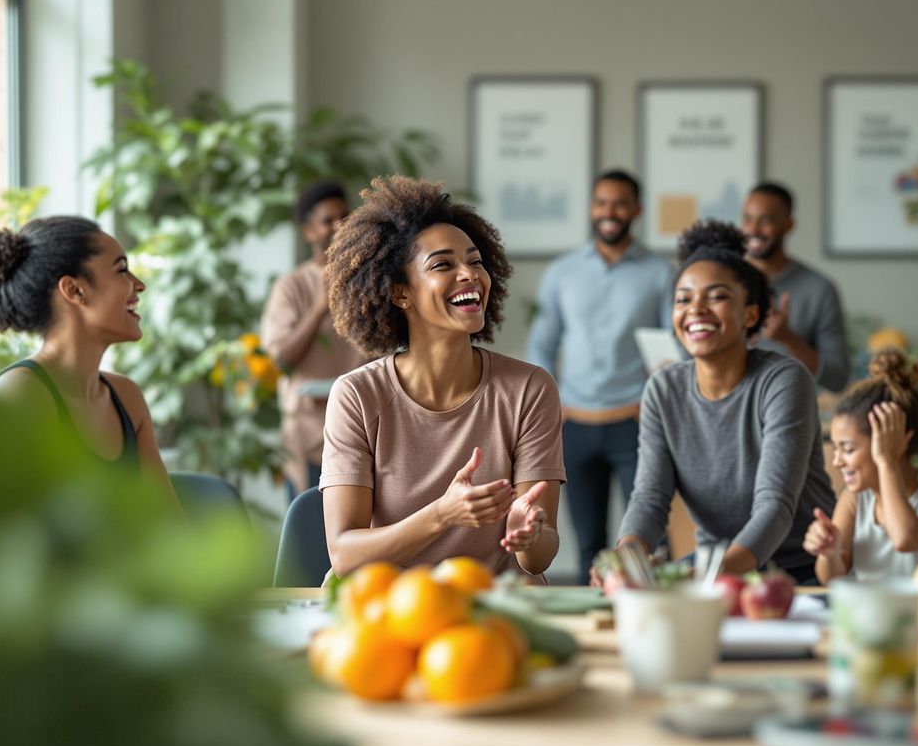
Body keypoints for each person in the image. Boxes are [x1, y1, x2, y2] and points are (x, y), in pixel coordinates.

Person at [320, 176, 565, 577]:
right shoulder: (357, 395)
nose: (470, 274)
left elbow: (537, 559)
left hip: (492, 613)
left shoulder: (529, 389)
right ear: (401, 293)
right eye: (443, 265)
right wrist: (443, 514)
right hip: (389, 609)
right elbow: (344, 555)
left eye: (475, 261)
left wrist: (531, 536)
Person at [613, 220, 835, 583]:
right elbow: (650, 500)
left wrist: (703, 577)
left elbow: (775, 504)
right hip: (715, 568)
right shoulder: (663, 390)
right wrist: (625, 564)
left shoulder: (784, 381)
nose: (695, 308)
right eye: (683, 299)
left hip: (801, 569)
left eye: (716, 296)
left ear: (750, 314)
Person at [0, 216, 181, 510]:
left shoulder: (127, 398)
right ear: (74, 290)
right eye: (122, 270)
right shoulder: (20, 396)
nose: (139, 285)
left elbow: (170, 529)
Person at [527, 169, 674, 582]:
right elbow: (542, 344)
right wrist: (550, 407)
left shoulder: (661, 274)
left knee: (646, 542)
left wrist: (655, 403)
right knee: (588, 544)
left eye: (620, 203)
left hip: (636, 423)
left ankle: (652, 625)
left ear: (637, 210)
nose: (609, 212)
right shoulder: (561, 273)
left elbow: (672, 351)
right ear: (592, 209)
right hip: (574, 425)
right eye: (601, 203)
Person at [802, 349, 918, 583]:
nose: (837, 462)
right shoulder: (855, 500)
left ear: (899, 440)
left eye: (848, 449)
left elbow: (905, 538)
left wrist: (888, 461)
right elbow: (832, 579)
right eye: (836, 449)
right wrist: (828, 554)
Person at [261, 180, 367, 499]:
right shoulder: (290, 287)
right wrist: (320, 306)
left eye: (345, 217)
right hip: (308, 441)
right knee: (308, 540)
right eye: (327, 221)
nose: (339, 226)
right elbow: (279, 360)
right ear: (308, 231)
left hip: (364, 437)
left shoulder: (368, 282)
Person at [741, 182, 850, 392]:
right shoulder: (724, 285)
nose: (753, 229)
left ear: (788, 225)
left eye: (766, 220)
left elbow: (838, 378)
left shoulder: (820, 290)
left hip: (794, 411)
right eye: (747, 219)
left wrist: (788, 338)